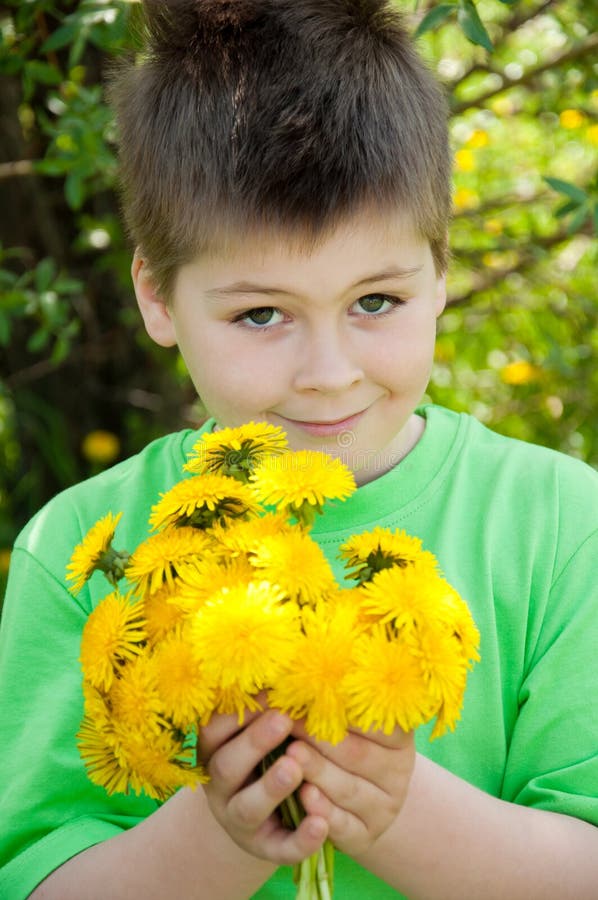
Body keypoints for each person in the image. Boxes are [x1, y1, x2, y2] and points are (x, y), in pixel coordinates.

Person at [1, 1, 597, 897]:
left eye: (375, 302)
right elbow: (40, 879)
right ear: (158, 298)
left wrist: (397, 810)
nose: (329, 373)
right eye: (261, 314)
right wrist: (223, 832)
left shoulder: (561, 526)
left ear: (441, 273)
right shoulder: (75, 554)